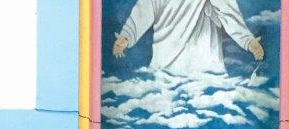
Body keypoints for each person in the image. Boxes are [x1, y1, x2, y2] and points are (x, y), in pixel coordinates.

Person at [113, 0, 263, 76]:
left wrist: (248, 41)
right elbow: (144, 10)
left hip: (206, 70)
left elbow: (229, 13)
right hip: (165, 67)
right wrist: (126, 36)